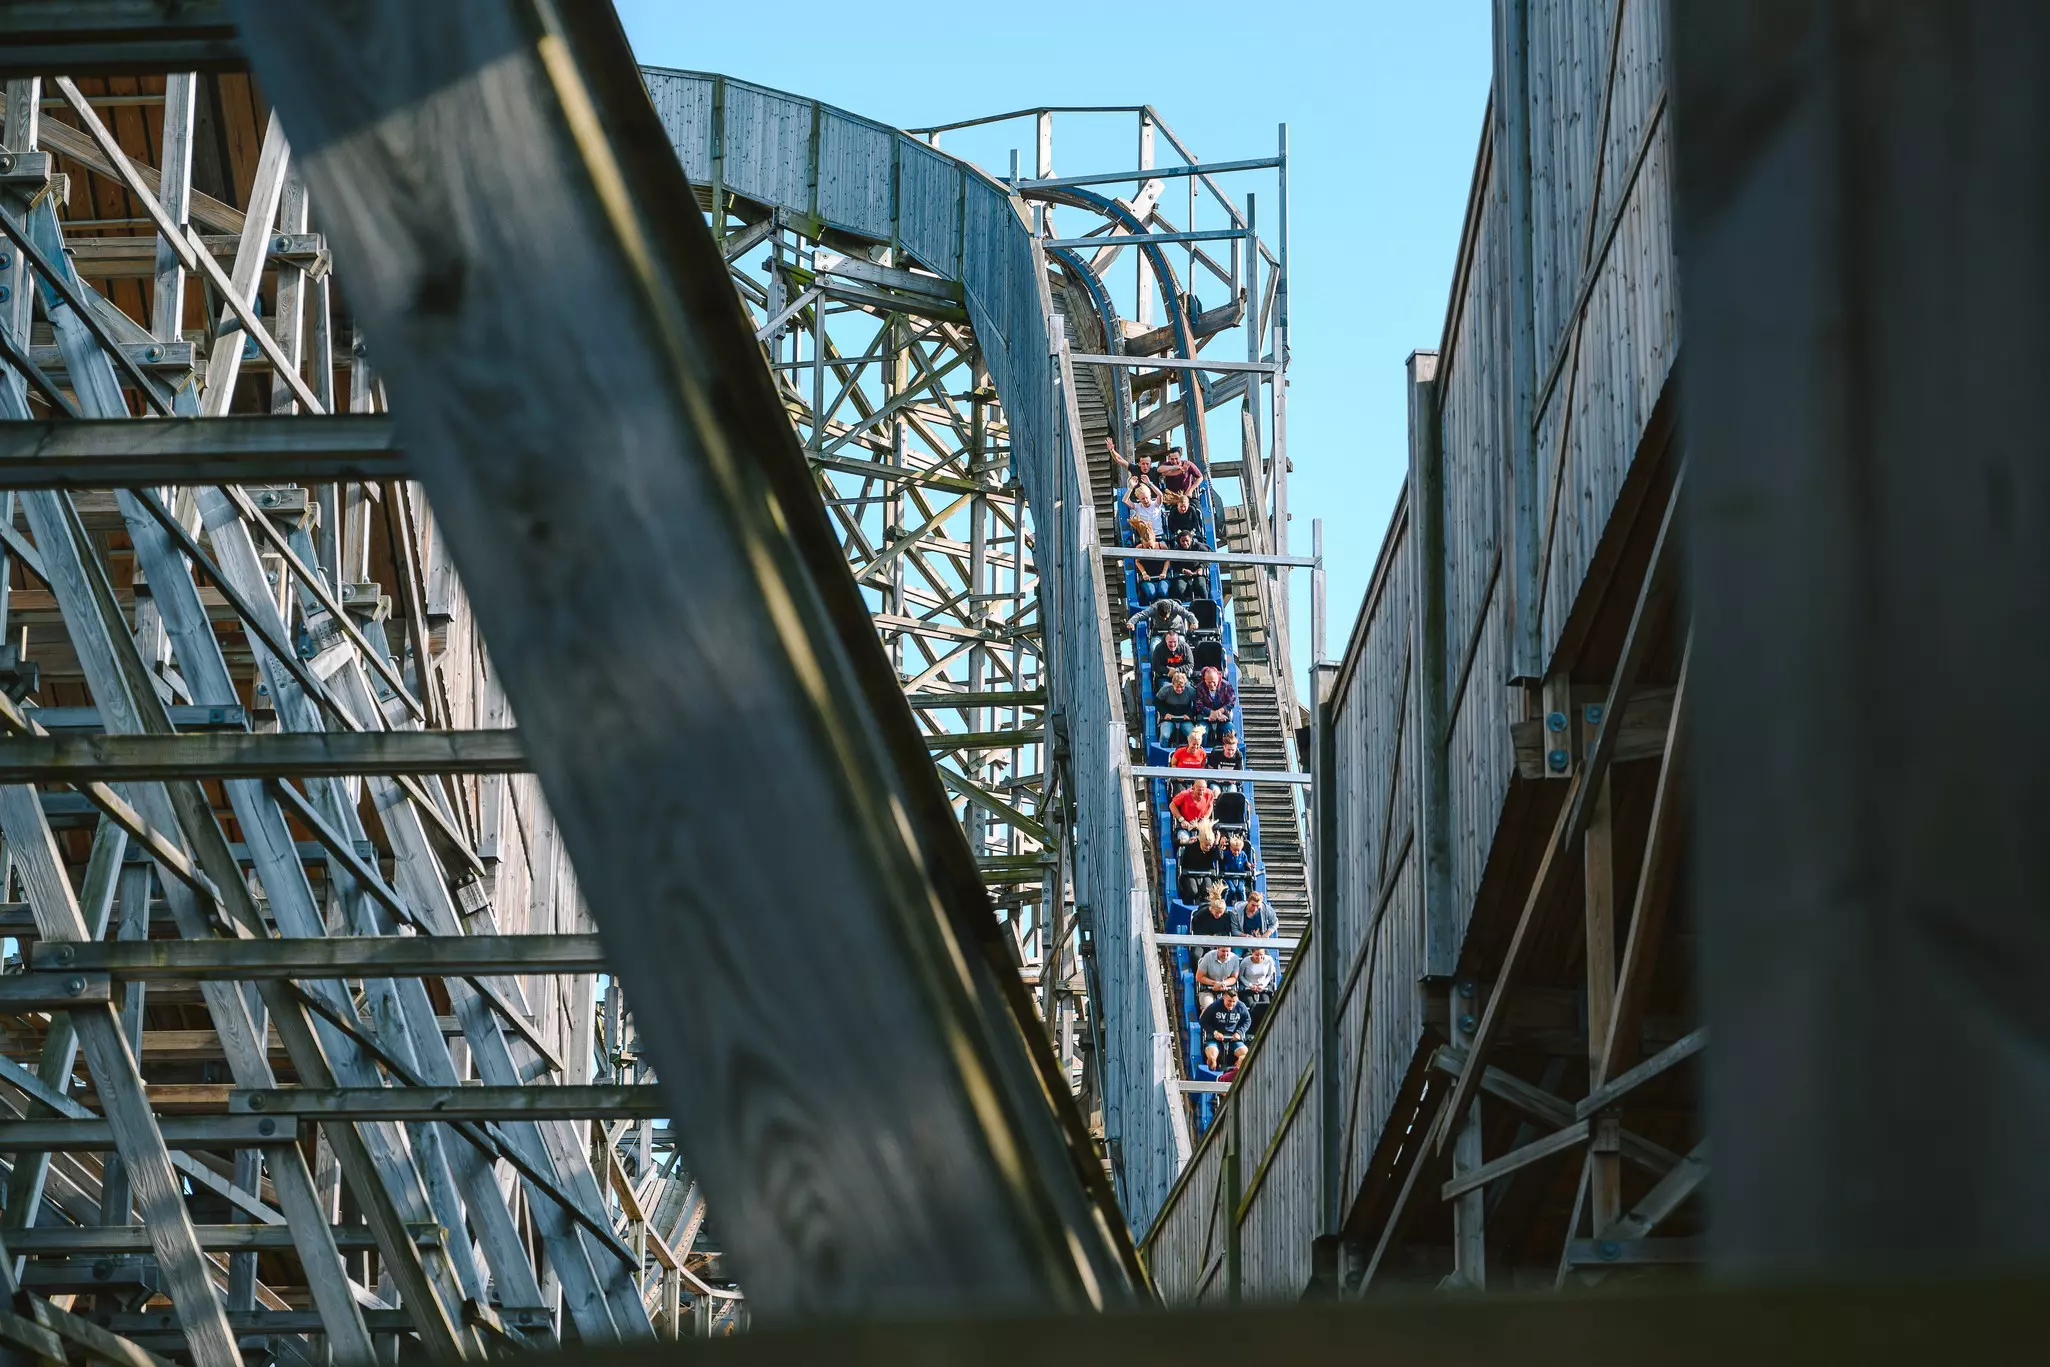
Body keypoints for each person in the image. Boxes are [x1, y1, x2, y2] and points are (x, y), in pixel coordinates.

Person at [1200, 985, 1251, 1071]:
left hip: (1233, 1039)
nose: (1231, 1004)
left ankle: (1234, 1073)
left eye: (1234, 1002)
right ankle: (1212, 1073)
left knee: (1246, 1056)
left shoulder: (1241, 1006)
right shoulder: (1215, 1006)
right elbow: (1203, 1021)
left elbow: (1247, 1020)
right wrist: (1214, 1032)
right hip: (1215, 1039)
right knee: (1212, 1058)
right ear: (1224, 998)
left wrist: (1239, 1032)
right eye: (1229, 1001)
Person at [1177, 820, 1223, 902]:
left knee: (1207, 891)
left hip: (1206, 873)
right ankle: (1187, 903)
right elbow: (1176, 843)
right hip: (1189, 873)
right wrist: (1185, 842)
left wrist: (1216, 843)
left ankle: (1205, 906)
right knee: (1193, 891)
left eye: (1210, 845)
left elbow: (1220, 858)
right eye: (1206, 845)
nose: (1208, 847)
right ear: (1201, 841)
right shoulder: (1193, 845)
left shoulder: (1213, 848)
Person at [1238, 944, 1278, 1032]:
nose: (1259, 957)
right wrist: (1250, 985)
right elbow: (1240, 976)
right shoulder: (1245, 961)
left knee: (1266, 1005)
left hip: (1263, 987)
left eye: (1261, 955)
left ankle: (1265, 1027)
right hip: (1248, 987)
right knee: (1251, 1005)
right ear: (1252, 953)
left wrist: (1263, 985)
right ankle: (1251, 1029)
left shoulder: (1269, 960)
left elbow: (1269, 975)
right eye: (1256, 955)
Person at [1131, 526, 1173, 605]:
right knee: (1151, 593)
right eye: (1147, 547)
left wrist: (1164, 572)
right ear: (1142, 542)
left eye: (1151, 546)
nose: (1149, 549)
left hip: (1161, 576)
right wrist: (1144, 573)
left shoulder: (1162, 546)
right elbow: (1137, 562)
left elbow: (1167, 560)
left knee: (1163, 592)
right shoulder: (1138, 548)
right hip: (1147, 577)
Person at [1154, 668, 1197, 745]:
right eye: (1177, 687)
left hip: (1184, 719)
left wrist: (1189, 714)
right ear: (1173, 684)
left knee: (1193, 736)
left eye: (1182, 687)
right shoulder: (1166, 689)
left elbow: (1198, 705)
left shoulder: (1190, 690)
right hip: (1168, 719)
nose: (1180, 689)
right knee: (1164, 736)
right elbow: (1156, 702)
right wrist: (1165, 713)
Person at [1193, 942, 1239, 1012]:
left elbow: (1234, 978)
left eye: (1227, 951)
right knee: (1209, 1008)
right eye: (1223, 951)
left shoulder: (1234, 958)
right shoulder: (1208, 957)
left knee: (1234, 1006)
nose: (1225, 954)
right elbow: (1199, 977)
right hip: (1208, 989)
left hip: (1226, 988)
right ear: (1218, 949)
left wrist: (1222, 984)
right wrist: (1215, 984)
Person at [1168, 777, 1215, 845]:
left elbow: (1210, 807)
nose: (1201, 793)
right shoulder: (1184, 795)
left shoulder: (1209, 794)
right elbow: (1172, 805)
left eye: (1203, 790)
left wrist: (1205, 818)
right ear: (1193, 788)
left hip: (1200, 825)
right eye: (1199, 790)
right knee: (1185, 841)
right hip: (1185, 825)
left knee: (1207, 840)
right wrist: (1181, 819)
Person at [1218, 829, 1260, 902]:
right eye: (1234, 850)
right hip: (1228, 875)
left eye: (1238, 850)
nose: (1236, 852)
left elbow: (1246, 863)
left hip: (1241, 874)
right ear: (1231, 848)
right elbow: (1220, 859)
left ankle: (1243, 903)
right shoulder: (1226, 854)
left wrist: (1250, 865)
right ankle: (1226, 904)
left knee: (1241, 889)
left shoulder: (1243, 854)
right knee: (1232, 889)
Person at [1192, 665, 1236, 732]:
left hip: (1223, 717)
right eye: (1209, 682)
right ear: (1204, 680)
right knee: (1201, 732)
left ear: (1218, 678)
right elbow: (1199, 705)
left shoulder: (1226, 685)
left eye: (1214, 681)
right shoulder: (1200, 687)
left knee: (1231, 730)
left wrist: (1218, 712)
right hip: (1205, 718)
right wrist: (1212, 713)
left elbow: (1231, 702)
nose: (1212, 684)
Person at [1170, 528, 1211, 599]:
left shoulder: (1199, 546)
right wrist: (1183, 570)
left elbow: (1210, 556)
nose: (1185, 543)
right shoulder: (1176, 550)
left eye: (1187, 541)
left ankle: (1206, 603)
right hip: (1182, 574)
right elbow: (1174, 564)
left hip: (1197, 573)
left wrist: (1201, 568)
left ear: (1191, 540)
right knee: (1180, 588)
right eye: (1182, 541)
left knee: (1201, 585)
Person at [1132, 594, 1196, 639]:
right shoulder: (1153, 609)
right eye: (1162, 617)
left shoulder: (1175, 607)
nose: (1165, 619)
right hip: (1159, 631)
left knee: (1183, 645)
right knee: (1153, 647)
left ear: (1170, 611)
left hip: (1176, 630)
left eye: (1166, 617)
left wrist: (1194, 622)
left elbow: (1188, 614)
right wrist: (1131, 622)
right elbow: (1141, 615)